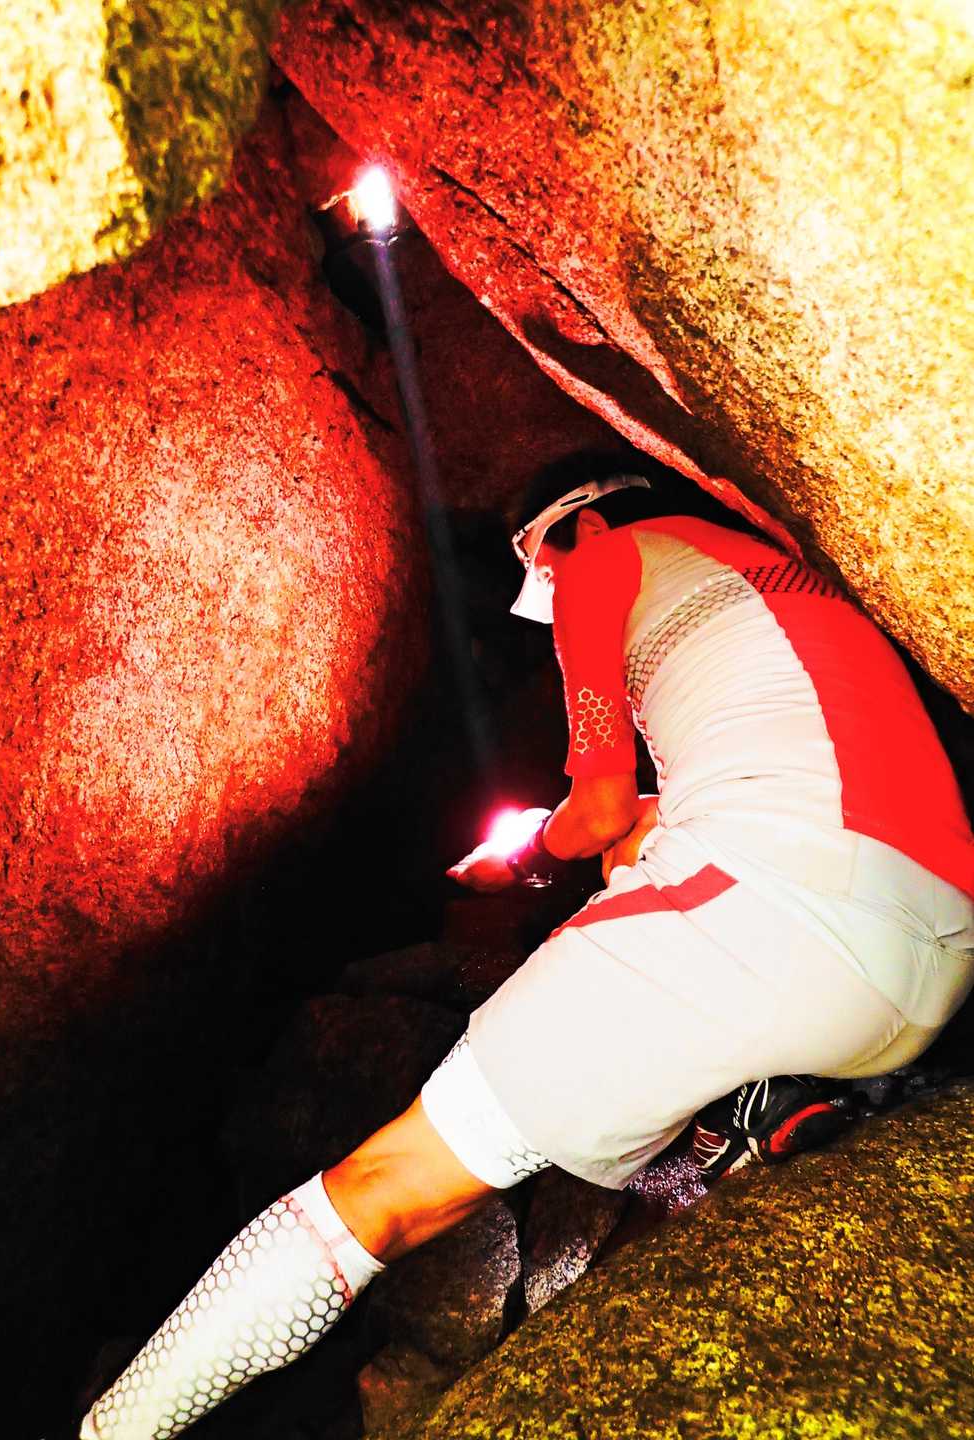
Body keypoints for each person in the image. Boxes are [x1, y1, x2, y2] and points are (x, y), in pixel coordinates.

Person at [75, 451, 973, 1440]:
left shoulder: (601, 562)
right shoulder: (770, 580)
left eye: (538, 572)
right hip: (929, 963)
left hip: (783, 920)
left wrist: (528, 862)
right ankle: (756, 1109)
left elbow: (598, 809)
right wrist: (579, 841)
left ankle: (109, 1432)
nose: (546, 601)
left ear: (581, 523)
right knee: (646, 884)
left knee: (382, 1191)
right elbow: (649, 820)